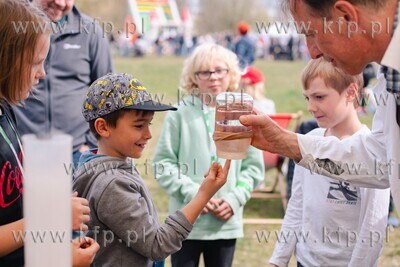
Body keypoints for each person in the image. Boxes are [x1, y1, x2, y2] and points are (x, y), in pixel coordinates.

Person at [240, 0, 400, 216]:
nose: (313, 52)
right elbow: (381, 159)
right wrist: (283, 142)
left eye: (311, 33)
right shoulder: (389, 72)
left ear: (346, 17)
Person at [73, 73, 231, 266]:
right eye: (139, 125)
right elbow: (158, 245)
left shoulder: (100, 167)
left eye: (149, 124)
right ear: (103, 127)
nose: (148, 134)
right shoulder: (113, 183)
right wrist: (203, 195)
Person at [0, 1, 98, 266]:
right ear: (6, 57)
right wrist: (51, 216)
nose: (42, 74)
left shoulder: (6, 111)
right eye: (36, 62)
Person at [269, 58, 390, 267]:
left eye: (319, 97)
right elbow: (297, 206)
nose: (310, 107)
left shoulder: (371, 152)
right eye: (307, 97)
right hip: (305, 261)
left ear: (351, 92)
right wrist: (278, 261)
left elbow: (372, 227)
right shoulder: (309, 141)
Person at [153, 43, 264, 267]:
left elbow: (254, 168)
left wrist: (235, 199)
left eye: (219, 70)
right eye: (204, 72)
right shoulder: (179, 114)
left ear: (230, 73)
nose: (213, 77)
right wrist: (195, 194)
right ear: (193, 77)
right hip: (186, 222)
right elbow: (163, 164)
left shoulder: (241, 113)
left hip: (225, 223)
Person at [13, 0, 114, 167]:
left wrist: (90, 143)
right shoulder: (13, 27)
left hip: (76, 153)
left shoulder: (91, 32)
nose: (60, 3)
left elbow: (108, 94)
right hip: (22, 152)